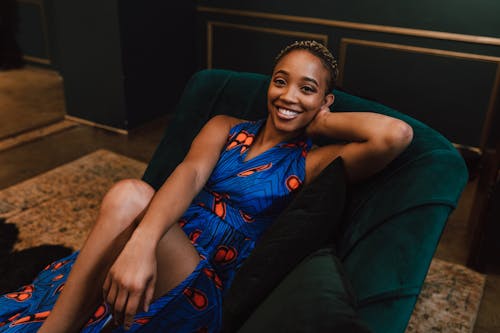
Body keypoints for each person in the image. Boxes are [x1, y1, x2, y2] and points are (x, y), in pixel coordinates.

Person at [0, 40, 413, 332]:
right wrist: (143, 245)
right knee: (132, 196)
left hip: (204, 279)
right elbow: (190, 174)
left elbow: (394, 136)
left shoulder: (310, 162)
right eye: (280, 81)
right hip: (163, 238)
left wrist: (317, 118)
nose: (288, 95)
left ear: (326, 101)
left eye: (307, 88)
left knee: (131, 195)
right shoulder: (225, 127)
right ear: (268, 84)